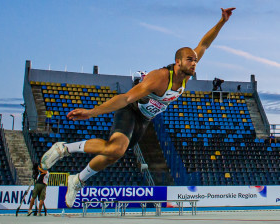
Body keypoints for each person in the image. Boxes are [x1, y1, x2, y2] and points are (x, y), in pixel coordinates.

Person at [40, 7, 236, 208]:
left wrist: (222, 21)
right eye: (190, 60)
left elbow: (204, 44)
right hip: (131, 111)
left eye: (195, 60)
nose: (195, 63)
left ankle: (77, 180)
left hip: (145, 120)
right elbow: (125, 98)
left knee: (113, 155)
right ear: (178, 62)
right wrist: (91, 112)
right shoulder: (159, 78)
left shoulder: (185, 75)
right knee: (116, 148)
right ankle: (64, 148)